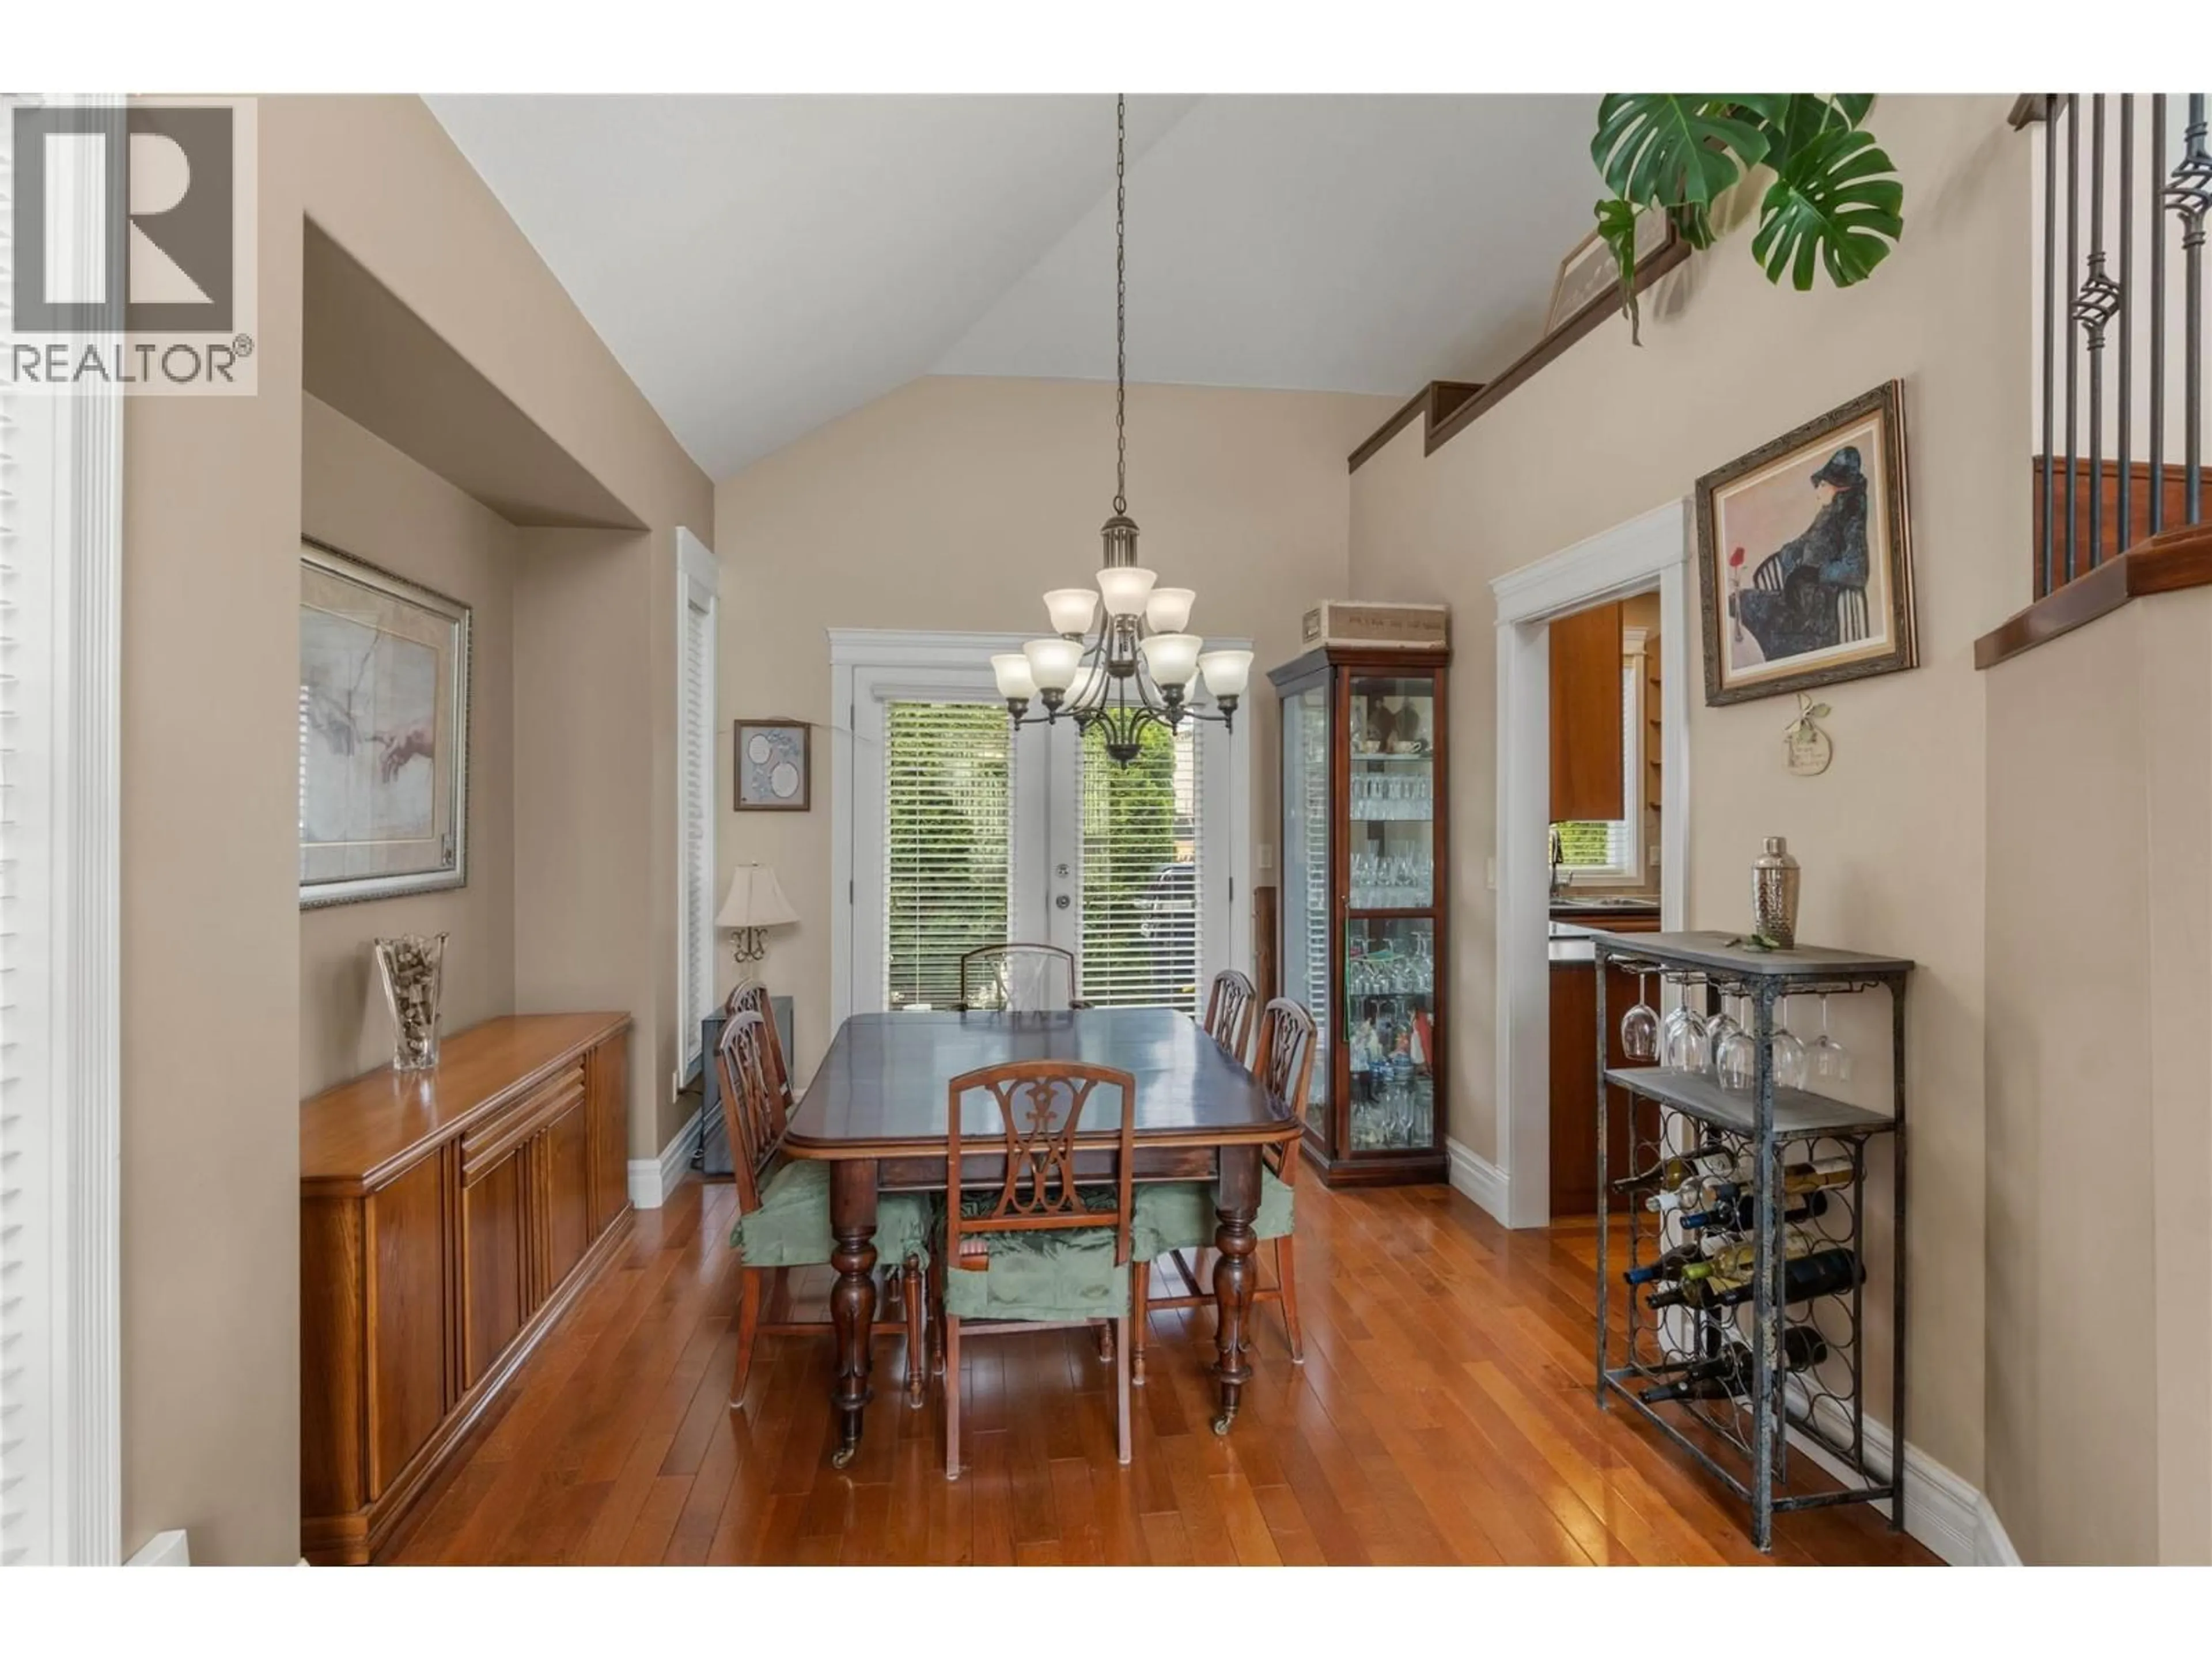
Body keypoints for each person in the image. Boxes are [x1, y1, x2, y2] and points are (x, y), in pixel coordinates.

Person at [1731, 445, 1872, 661]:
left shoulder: (1850, 520)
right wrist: (1787, 555)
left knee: (1746, 603)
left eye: (1823, 485)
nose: (1818, 491)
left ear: (1839, 488)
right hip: (1799, 601)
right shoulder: (1826, 516)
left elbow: (1857, 571)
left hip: (1815, 616)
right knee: (1742, 600)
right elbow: (1799, 545)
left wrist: (1815, 573)